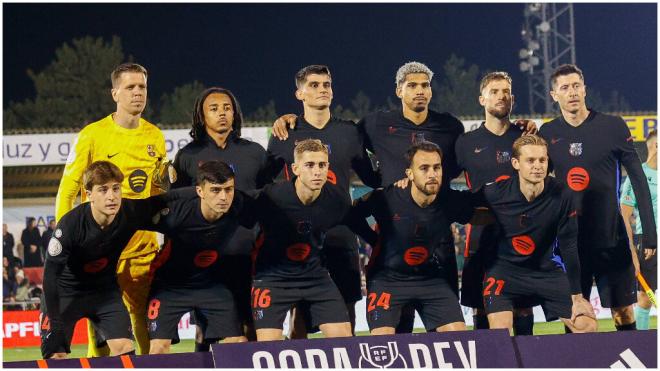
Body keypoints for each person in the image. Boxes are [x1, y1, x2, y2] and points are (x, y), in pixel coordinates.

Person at [271, 62, 537, 333]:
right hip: (391, 242)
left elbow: (469, 163)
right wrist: (293, 121)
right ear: (399, 90)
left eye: (425, 85)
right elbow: (336, 143)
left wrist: (517, 130)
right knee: (398, 328)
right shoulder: (375, 124)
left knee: (445, 327)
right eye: (412, 85)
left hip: (437, 240)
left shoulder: (450, 127)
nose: (419, 91)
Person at [55, 63, 167, 355]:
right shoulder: (92, 135)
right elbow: (67, 191)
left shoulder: (154, 136)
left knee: (144, 316)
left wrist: (163, 234)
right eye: (130, 87)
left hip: (141, 246)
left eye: (142, 86)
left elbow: (157, 193)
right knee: (100, 323)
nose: (138, 93)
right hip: (98, 246)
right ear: (115, 93)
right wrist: (65, 241)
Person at [539, 64, 656, 331]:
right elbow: (538, 186)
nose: (572, 92)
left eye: (576, 86)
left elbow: (638, 179)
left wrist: (649, 232)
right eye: (565, 88)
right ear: (554, 95)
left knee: (623, 314)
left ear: (585, 89)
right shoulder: (547, 134)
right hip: (569, 245)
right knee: (576, 318)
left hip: (610, 240)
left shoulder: (612, 126)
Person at [266, 65, 380, 338]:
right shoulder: (286, 133)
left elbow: (373, 179)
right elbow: (263, 183)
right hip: (300, 234)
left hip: (341, 233)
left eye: (326, 84)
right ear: (300, 93)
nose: (322, 90)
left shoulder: (349, 132)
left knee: (348, 307)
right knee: (299, 313)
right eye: (314, 85)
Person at [352, 142, 492, 335]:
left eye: (437, 167)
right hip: (388, 280)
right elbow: (351, 215)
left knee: (461, 340)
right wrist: (373, 239)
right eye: (424, 168)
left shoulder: (449, 200)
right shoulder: (386, 198)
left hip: (430, 280)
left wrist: (512, 214)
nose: (432, 174)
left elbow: (478, 215)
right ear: (409, 174)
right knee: (382, 343)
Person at [41, 161, 171, 359]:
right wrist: (56, 323)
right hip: (65, 292)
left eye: (116, 188)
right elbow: (50, 276)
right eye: (103, 190)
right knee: (56, 356)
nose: (111, 196)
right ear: (89, 194)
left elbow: (165, 201)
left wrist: (193, 194)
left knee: (125, 349)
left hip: (104, 292)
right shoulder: (69, 226)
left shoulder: (129, 212)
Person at [171, 87, 268, 348]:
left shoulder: (255, 153)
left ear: (235, 113)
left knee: (251, 327)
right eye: (213, 109)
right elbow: (179, 209)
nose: (222, 113)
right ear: (202, 117)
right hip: (206, 260)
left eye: (226, 107)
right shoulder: (188, 157)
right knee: (206, 331)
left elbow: (270, 201)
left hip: (249, 257)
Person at [481, 135, 598, 334]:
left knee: (587, 326)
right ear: (516, 163)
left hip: (546, 272)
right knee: (499, 332)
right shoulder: (494, 193)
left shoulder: (563, 194)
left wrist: (577, 296)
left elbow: (568, 245)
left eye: (542, 160)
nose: (538, 166)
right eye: (530, 160)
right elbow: (456, 203)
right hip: (504, 272)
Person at [252, 139, 360, 341]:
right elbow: (241, 220)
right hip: (274, 279)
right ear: (295, 169)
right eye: (310, 165)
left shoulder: (338, 199)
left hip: (315, 276)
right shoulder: (271, 197)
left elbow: (359, 224)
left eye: (322, 165)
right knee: (267, 347)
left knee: (345, 339)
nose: (317, 171)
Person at [147, 161, 257, 354]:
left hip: (211, 287)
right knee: (158, 348)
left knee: (239, 342)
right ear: (200, 191)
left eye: (228, 189)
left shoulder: (239, 205)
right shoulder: (175, 212)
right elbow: (129, 217)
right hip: (170, 288)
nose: (223, 197)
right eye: (215, 190)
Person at [454, 71, 534, 334]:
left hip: (521, 235)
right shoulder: (466, 143)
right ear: (482, 99)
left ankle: (527, 361)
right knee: (481, 305)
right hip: (480, 236)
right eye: (494, 92)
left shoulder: (525, 139)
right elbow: (441, 185)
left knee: (523, 306)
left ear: (513, 98)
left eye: (506, 92)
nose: (501, 96)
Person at [620, 129, 657, 330]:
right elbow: (624, 215)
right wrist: (632, 251)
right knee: (646, 297)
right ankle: (642, 343)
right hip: (650, 240)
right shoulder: (638, 175)